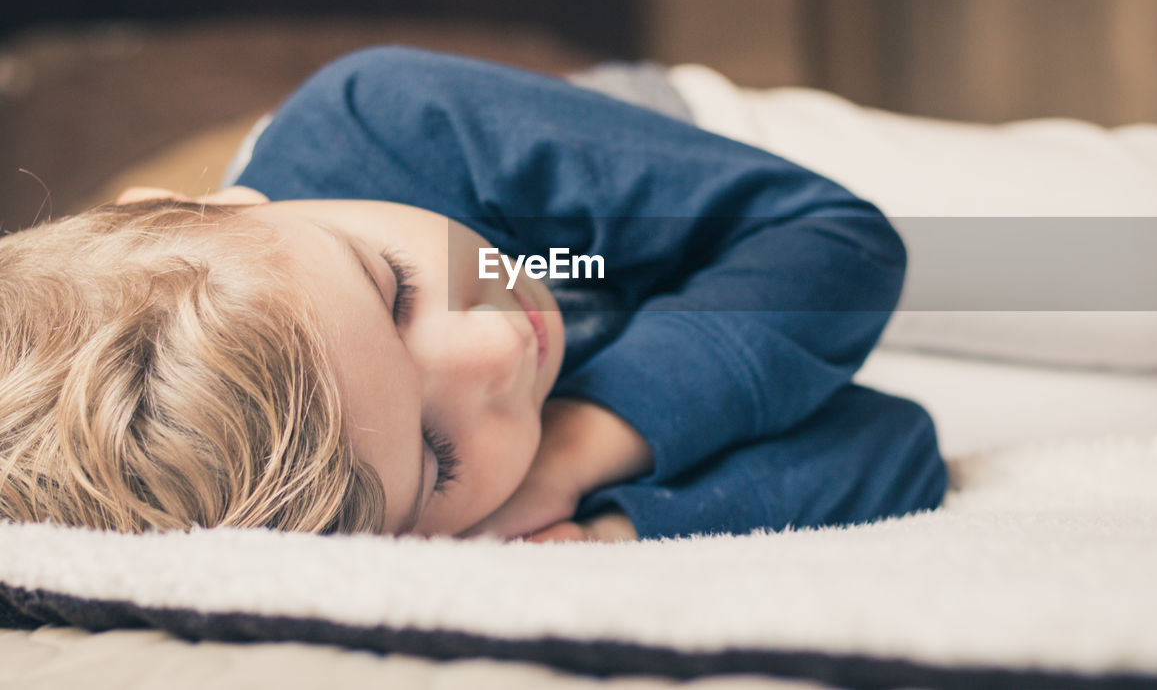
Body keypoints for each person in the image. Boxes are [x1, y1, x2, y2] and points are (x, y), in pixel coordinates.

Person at [0, 46, 948, 542]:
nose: (494, 354)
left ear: (201, 208)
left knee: (1082, 258)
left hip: (710, 187)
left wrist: (576, 441)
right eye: (435, 452)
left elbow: (833, 244)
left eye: (397, 290)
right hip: (721, 309)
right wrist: (615, 521)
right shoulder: (427, 511)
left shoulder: (392, 118)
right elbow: (897, 442)